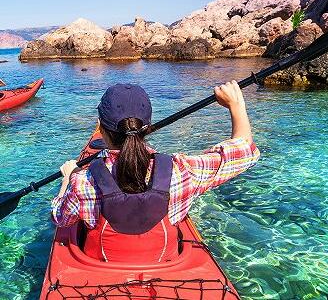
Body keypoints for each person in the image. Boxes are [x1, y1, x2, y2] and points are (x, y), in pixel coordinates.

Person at [52, 81, 260, 263]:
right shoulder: (181, 172)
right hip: (165, 265)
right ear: (148, 127)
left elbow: (60, 218)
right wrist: (236, 105)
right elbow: (245, 152)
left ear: (102, 129)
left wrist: (67, 179)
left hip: (100, 267)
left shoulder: (82, 182)